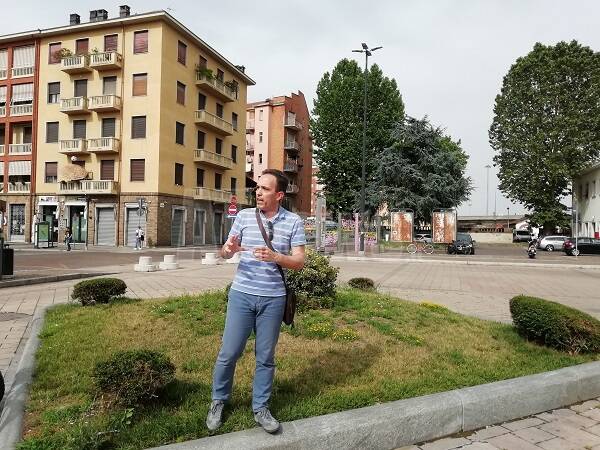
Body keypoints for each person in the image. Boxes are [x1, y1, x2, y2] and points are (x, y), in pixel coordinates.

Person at [207, 169, 306, 434]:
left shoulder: (293, 222)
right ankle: (218, 400)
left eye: (264, 189)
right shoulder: (243, 216)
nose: (258, 192)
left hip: (273, 300)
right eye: (257, 188)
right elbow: (226, 251)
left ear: (280, 195)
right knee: (229, 353)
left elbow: (299, 261)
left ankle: (260, 407)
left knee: (265, 357)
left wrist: (276, 257)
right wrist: (227, 251)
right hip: (241, 295)